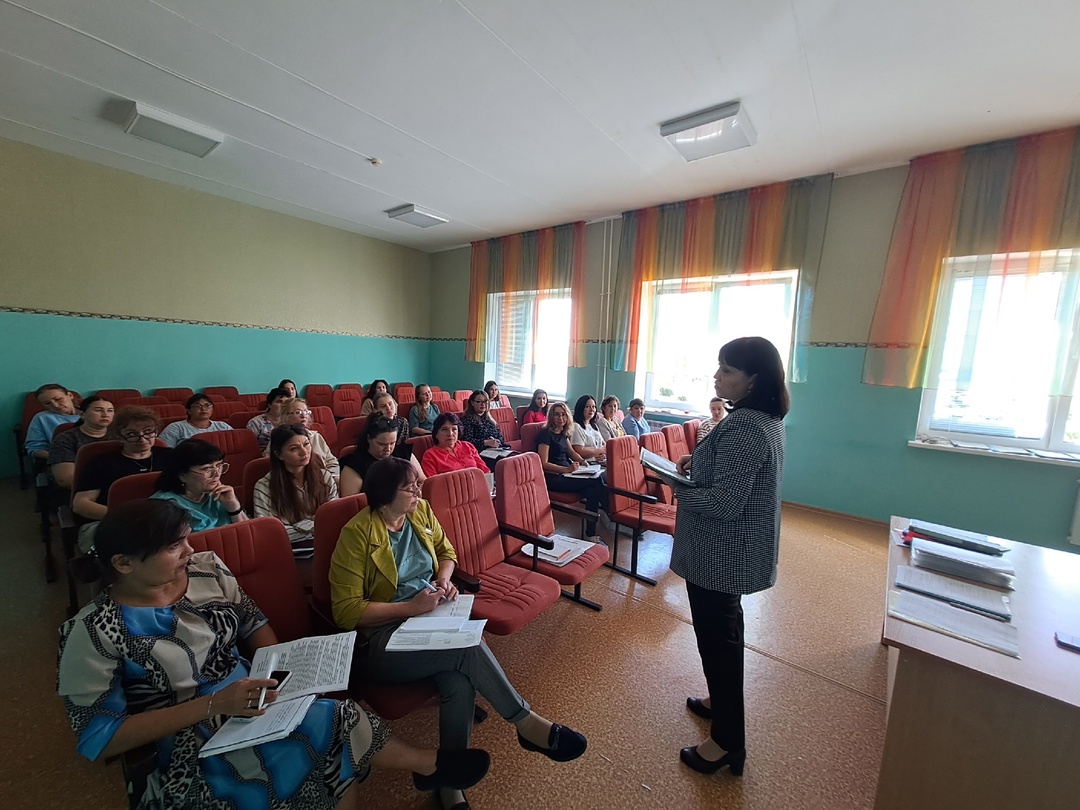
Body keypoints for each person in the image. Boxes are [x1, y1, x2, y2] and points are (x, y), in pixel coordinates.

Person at [57, 499, 491, 810]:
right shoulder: (92, 631)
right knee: (322, 734)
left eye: (186, 540)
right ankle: (429, 765)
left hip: (252, 692)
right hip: (183, 732)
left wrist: (284, 669)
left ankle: (429, 766)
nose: (189, 550)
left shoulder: (206, 568)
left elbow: (252, 623)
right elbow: (100, 736)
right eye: (174, 547)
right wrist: (215, 704)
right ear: (124, 563)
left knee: (334, 717)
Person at [329, 457, 587, 810]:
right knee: (467, 646)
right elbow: (346, 612)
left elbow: (446, 552)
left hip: (427, 617)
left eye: (417, 485)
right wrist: (410, 608)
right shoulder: (357, 534)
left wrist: (443, 579)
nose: (419, 492)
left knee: (459, 683)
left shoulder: (420, 513)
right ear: (385, 496)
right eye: (410, 488)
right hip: (380, 639)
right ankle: (525, 722)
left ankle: (448, 782)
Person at [668, 337, 789, 778]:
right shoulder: (764, 420)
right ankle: (720, 702)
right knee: (724, 634)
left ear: (753, 380)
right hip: (730, 552)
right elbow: (731, 475)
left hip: (720, 554)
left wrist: (675, 486)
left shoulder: (744, 426)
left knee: (718, 642)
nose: (717, 377)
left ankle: (726, 743)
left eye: (727, 370)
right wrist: (695, 462)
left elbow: (722, 503)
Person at [73, 407, 173, 524]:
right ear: (119, 437)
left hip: (164, 518)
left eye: (148, 432)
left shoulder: (170, 456)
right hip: (113, 521)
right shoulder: (103, 462)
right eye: (131, 434)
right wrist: (126, 517)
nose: (142, 439)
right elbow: (81, 504)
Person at [253, 424, 338, 555]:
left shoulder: (324, 476)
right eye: (294, 449)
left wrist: (298, 528)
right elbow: (269, 532)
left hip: (327, 546)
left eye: (306, 444)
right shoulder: (264, 487)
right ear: (279, 455)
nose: (304, 452)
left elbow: (333, 517)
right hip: (287, 551)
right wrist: (311, 525)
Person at [535, 402, 604, 540]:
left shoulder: (563, 432)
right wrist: (566, 469)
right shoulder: (545, 434)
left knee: (592, 491)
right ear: (551, 416)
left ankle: (590, 534)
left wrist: (583, 462)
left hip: (568, 474)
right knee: (596, 480)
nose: (560, 418)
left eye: (563, 415)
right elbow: (543, 463)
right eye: (557, 415)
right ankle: (612, 513)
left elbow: (571, 452)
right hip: (554, 477)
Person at [151, 439, 249, 531]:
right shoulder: (163, 506)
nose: (217, 474)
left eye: (219, 466)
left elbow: (248, 534)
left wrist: (233, 507)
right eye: (207, 469)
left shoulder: (222, 493)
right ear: (182, 475)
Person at [340, 418, 425, 497]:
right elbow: (351, 502)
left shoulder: (403, 453)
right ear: (369, 439)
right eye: (382, 444)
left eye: (392, 443)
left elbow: (423, 481)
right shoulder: (355, 465)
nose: (388, 449)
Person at [48, 396, 114, 489]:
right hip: (80, 490)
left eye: (110, 410)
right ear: (83, 414)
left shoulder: (119, 435)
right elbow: (66, 480)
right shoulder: (66, 439)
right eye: (98, 410)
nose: (105, 414)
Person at [274, 397, 340, 481]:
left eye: (306, 412)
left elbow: (332, 462)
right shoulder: (278, 439)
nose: (303, 416)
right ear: (286, 416)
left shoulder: (316, 436)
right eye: (298, 412)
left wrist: (329, 477)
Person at [421, 413, 489, 477]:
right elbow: (432, 483)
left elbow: (485, 471)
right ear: (436, 434)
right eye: (444, 430)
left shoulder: (468, 446)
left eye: (454, 429)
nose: (450, 434)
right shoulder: (430, 455)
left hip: (478, 484)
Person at [25, 383, 81, 459]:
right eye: (47, 403)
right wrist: (59, 458)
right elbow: (34, 448)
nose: (55, 405)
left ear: (70, 395)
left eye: (58, 399)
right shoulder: (42, 418)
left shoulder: (91, 413)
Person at [158, 394, 231, 447]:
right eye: (197, 406)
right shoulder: (176, 428)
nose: (203, 409)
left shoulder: (223, 426)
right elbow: (164, 452)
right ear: (188, 411)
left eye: (207, 405)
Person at [368, 392, 414, 461]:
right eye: (383, 406)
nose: (388, 408)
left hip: (399, 456)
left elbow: (404, 445)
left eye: (390, 404)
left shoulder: (403, 421)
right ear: (376, 410)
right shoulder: (374, 425)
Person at [569, 395, 606, 464]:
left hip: (599, 462)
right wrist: (599, 451)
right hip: (586, 464)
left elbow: (604, 444)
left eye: (593, 407)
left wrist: (603, 454)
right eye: (587, 407)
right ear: (581, 408)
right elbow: (580, 451)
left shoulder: (593, 425)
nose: (591, 409)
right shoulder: (576, 426)